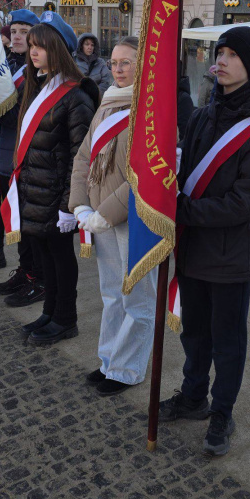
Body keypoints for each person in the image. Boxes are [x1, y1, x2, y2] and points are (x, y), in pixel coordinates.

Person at [158, 26, 250, 457]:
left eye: (232, 55)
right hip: (193, 250)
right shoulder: (204, 116)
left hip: (229, 257)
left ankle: (222, 412)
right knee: (194, 334)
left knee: (227, 343)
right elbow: (184, 171)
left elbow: (246, 203)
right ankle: (194, 396)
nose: (221, 61)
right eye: (219, 52)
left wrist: (184, 210)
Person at [69, 37, 159, 396]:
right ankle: (109, 361)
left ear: (143, 65)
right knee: (111, 295)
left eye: (126, 62)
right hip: (99, 216)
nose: (117, 69)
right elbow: (83, 157)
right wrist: (80, 205)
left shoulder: (151, 108)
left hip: (134, 218)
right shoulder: (108, 101)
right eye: (114, 62)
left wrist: (105, 213)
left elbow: (145, 173)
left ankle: (127, 370)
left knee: (137, 299)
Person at [11, 23, 97, 346]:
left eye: (41, 46)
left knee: (61, 257)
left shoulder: (75, 95)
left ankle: (65, 318)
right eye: (31, 45)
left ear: (57, 49)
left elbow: (80, 155)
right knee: (44, 256)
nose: (33, 52)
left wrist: (68, 205)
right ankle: (49, 312)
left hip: (58, 195)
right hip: (35, 190)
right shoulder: (38, 87)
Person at [0, 10, 48, 301]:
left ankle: (37, 278)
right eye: (13, 31)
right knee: (16, 224)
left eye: (24, 31)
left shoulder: (35, 75)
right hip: (3, 157)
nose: (17, 36)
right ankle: (25, 272)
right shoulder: (8, 66)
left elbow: (21, 118)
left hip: (23, 160)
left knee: (29, 227)